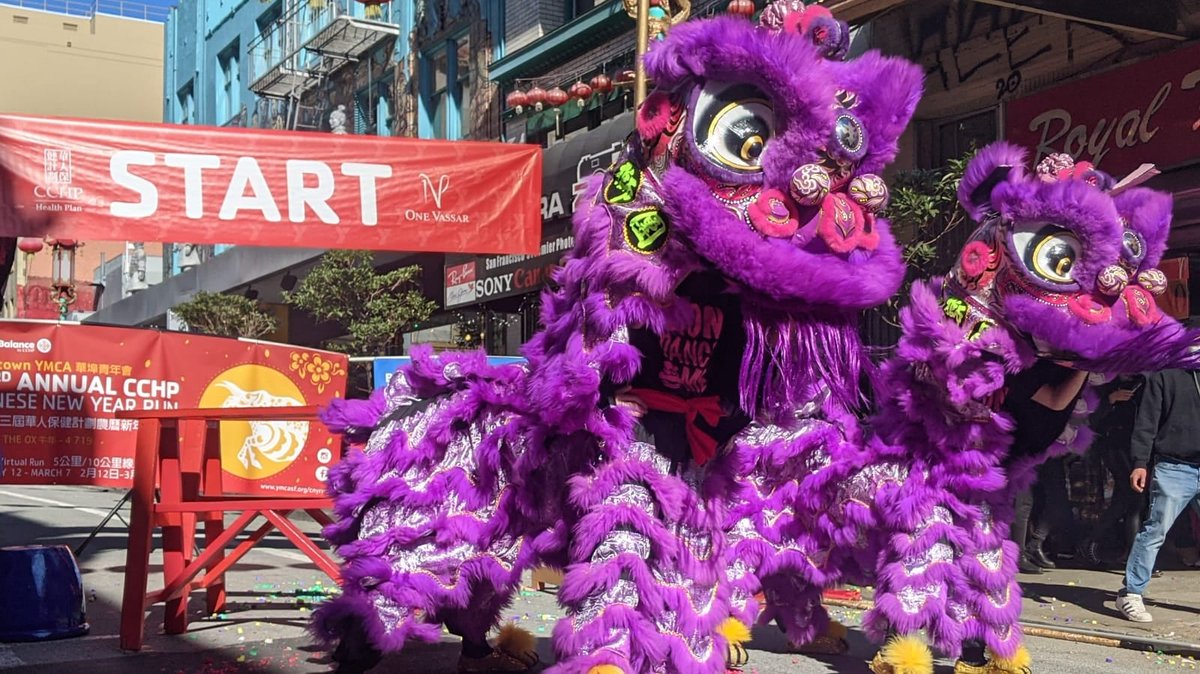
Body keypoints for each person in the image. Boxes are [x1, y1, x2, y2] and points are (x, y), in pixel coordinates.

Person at [1116, 367, 1200, 623]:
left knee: (1155, 529)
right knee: (1155, 529)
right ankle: (1131, 592)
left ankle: (1131, 592)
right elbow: (1147, 420)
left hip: (1178, 464)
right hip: (1175, 463)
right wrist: (1140, 461)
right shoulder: (1166, 376)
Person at [1005, 360, 1090, 575]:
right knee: (1022, 503)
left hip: (1042, 449)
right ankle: (1018, 552)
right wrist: (1086, 365)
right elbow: (1055, 400)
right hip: (1007, 453)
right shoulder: (1013, 367)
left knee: (1053, 501)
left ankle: (1031, 545)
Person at [1078, 375, 1144, 567]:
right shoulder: (1105, 385)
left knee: (1126, 499)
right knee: (1133, 498)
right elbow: (1091, 419)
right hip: (1113, 447)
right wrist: (1111, 399)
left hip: (1135, 447)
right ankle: (1134, 556)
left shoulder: (1142, 382)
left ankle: (1092, 540)